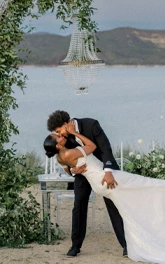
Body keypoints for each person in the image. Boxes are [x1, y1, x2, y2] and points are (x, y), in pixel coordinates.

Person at [43, 121, 165, 264]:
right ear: (59, 144)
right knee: (142, 185)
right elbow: (92, 147)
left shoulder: (63, 154)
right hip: (103, 178)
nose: (61, 135)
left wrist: (72, 169)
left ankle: (129, 242)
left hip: (101, 178)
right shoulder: (69, 150)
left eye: (59, 132)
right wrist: (77, 138)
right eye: (58, 136)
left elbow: (69, 165)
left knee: (134, 196)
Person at [46, 110, 127, 257]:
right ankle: (75, 246)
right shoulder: (64, 140)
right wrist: (74, 170)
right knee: (78, 206)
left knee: (113, 205)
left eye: (59, 131)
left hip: (104, 169)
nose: (60, 135)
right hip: (83, 174)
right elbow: (67, 162)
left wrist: (108, 171)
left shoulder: (91, 124)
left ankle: (126, 244)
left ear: (65, 124)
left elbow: (105, 148)